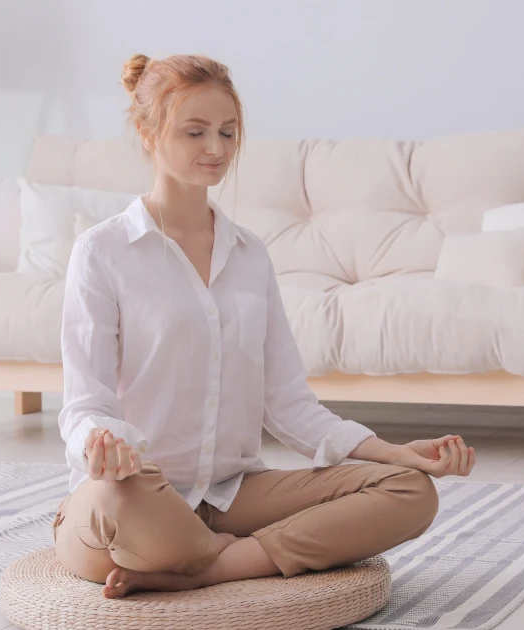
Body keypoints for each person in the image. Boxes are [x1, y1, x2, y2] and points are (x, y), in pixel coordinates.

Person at [50, 53, 476, 599]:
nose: (216, 149)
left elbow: (289, 406)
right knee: (114, 500)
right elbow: (84, 406)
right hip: (134, 497)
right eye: (196, 131)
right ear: (147, 133)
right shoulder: (102, 252)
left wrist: (389, 452)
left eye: (228, 132)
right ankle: (244, 556)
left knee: (410, 491)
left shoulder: (249, 255)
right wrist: (103, 443)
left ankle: (212, 567)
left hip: (233, 497)